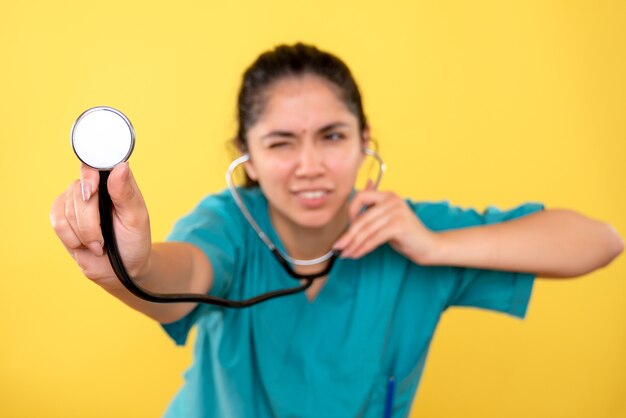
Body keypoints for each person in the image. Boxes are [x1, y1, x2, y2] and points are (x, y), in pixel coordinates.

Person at [50, 43, 624, 418]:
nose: (310, 166)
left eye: (331, 136)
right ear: (246, 155)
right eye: (280, 142)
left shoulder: (408, 231)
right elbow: (184, 276)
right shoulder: (228, 223)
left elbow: (602, 240)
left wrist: (436, 246)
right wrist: (131, 265)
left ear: (363, 140)